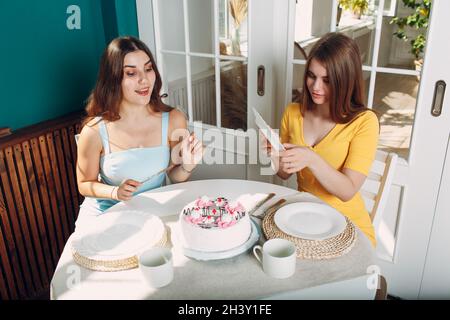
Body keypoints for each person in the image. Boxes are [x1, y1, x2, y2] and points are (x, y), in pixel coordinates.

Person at [75, 36, 203, 228]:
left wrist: (187, 166)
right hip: (106, 216)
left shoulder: (174, 119)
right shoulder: (93, 131)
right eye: (131, 73)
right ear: (113, 80)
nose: (144, 80)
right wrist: (115, 192)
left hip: (151, 213)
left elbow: (174, 175)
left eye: (148, 68)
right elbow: (84, 183)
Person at [270, 33, 379, 246]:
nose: (315, 87)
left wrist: (311, 158)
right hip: (305, 219)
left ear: (346, 81)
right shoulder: (293, 112)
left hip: (350, 228)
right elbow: (283, 173)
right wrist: (274, 153)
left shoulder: (365, 122)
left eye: (327, 80)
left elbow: (347, 191)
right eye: (311, 76)